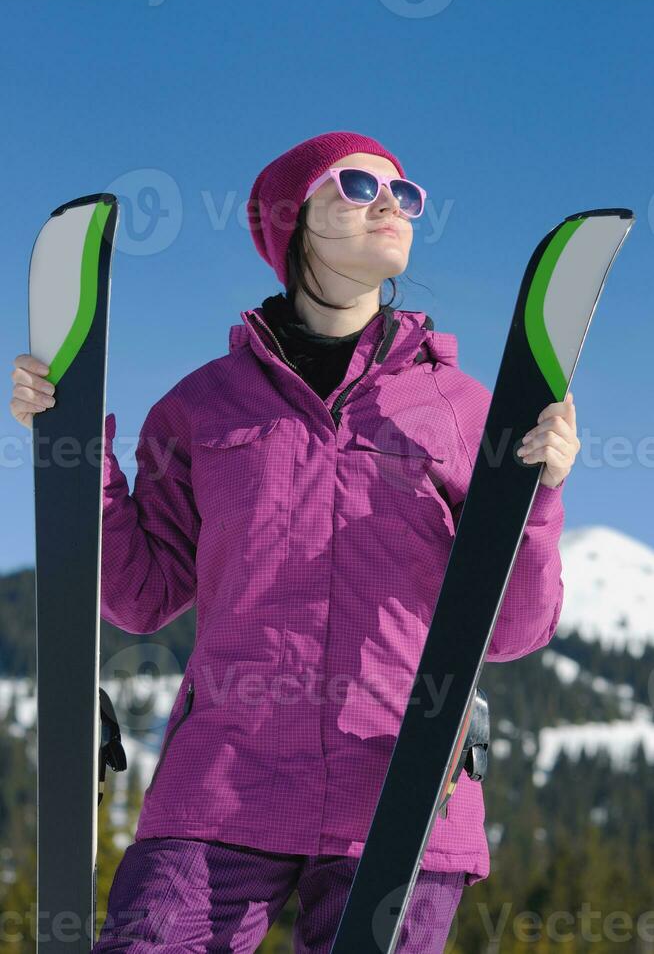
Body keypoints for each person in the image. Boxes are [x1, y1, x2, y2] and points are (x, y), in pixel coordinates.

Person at [10, 130, 581, 953]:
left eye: (404, 193)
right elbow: (139, 598)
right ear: (293, 225)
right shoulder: (202, 407)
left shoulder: (459, 406)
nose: (391, 203)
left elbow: (516, 629)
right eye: (355, 185)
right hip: (222, 786)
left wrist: (541, 495)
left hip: (400, 783)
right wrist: (71, 451)